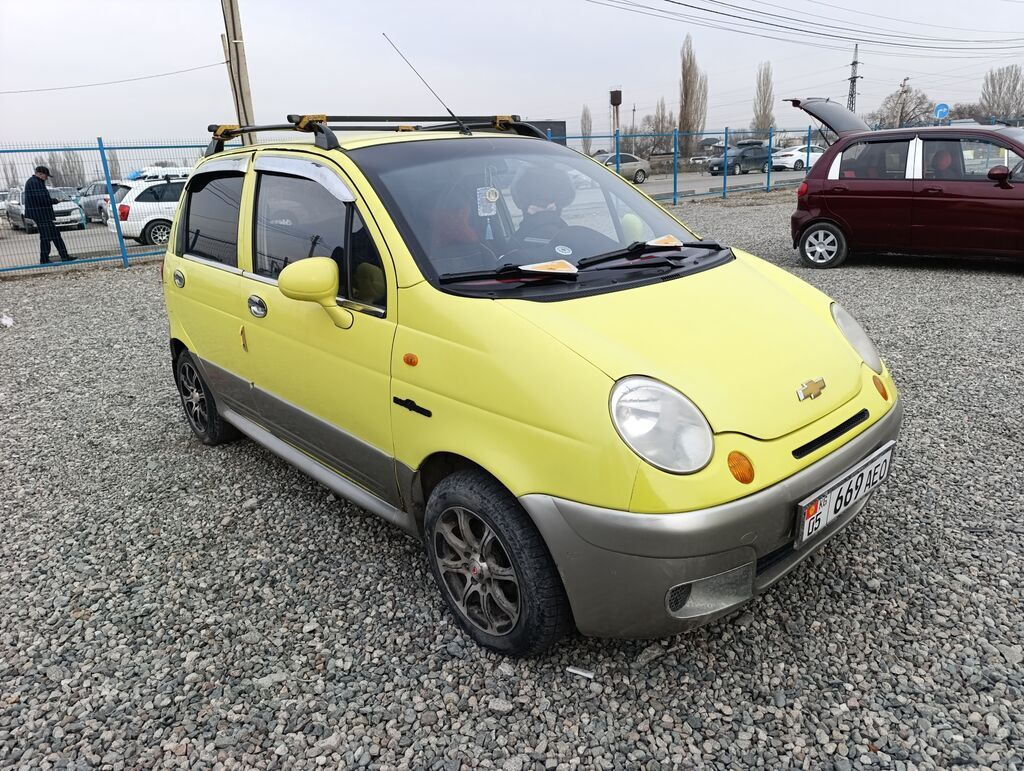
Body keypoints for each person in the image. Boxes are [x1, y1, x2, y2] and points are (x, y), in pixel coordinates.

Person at [24, 166, 74, 264]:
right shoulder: (34, 183)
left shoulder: (36, 182)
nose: (47, 178)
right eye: (46, 176)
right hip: (41, 215)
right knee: (46, 237)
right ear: (40, 174)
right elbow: (42, 200)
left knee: (55, 235)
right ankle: (44, 259)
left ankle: (64, 256)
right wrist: (56, 200)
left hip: (43, 215)